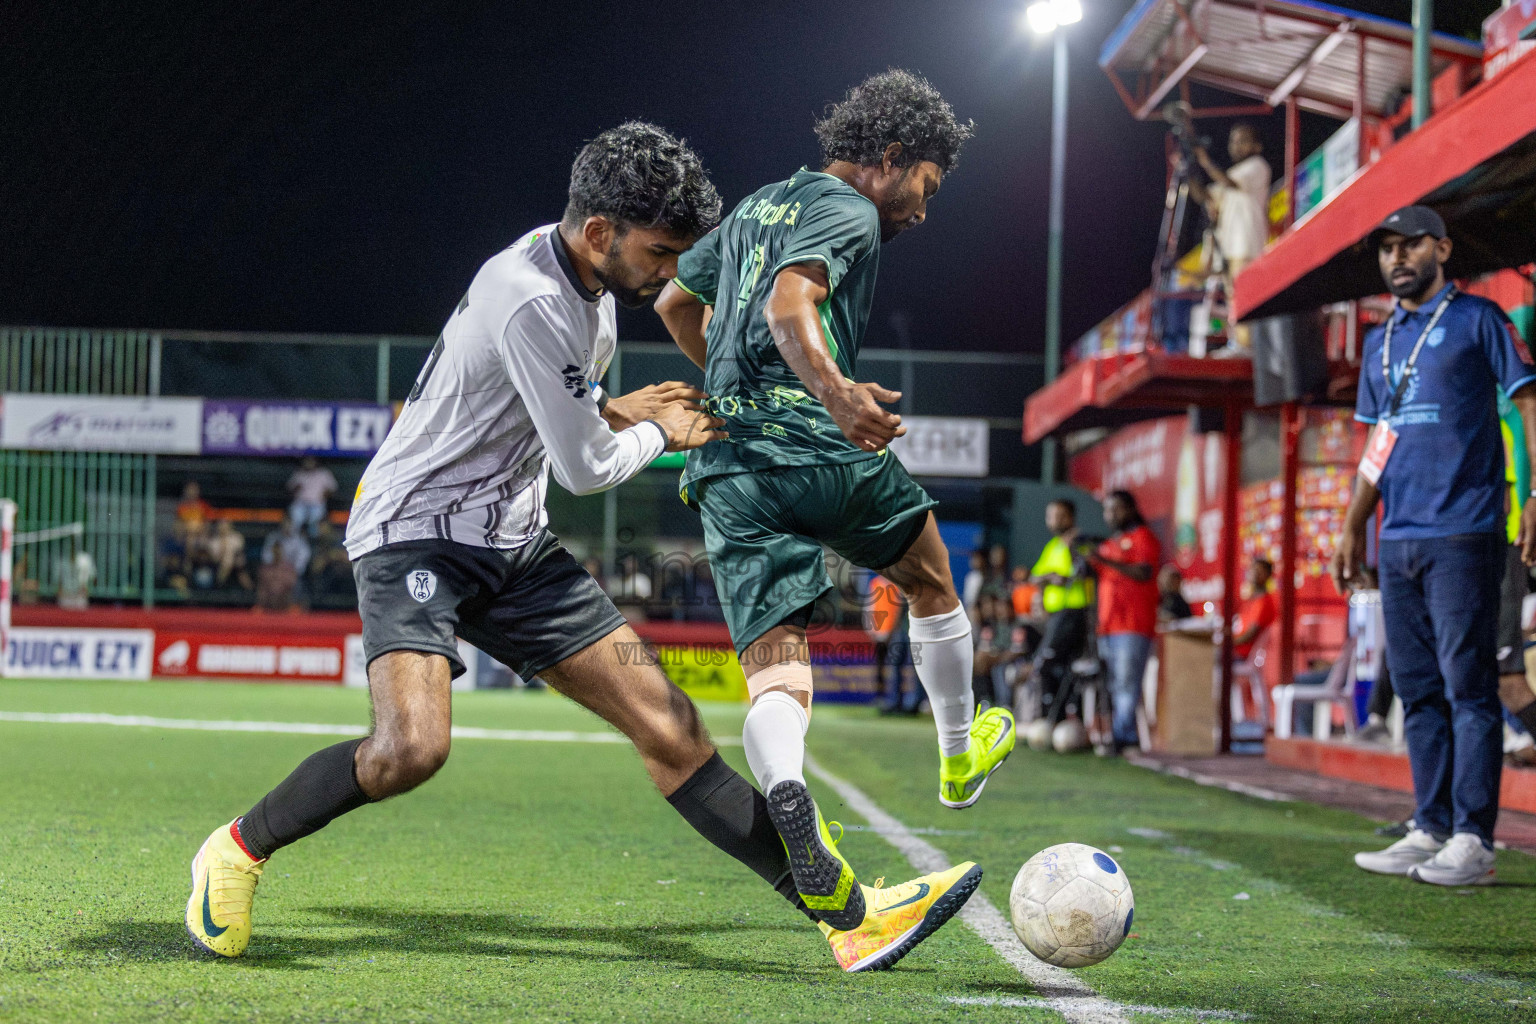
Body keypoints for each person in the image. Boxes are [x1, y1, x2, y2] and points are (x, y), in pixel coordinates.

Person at [185, 123, 954, 975]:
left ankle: (848, 918)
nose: (671, 273)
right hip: (416, 533)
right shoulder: (531, 296)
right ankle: (233, 849)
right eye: (662, 253)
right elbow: (585, 468)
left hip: (514, 544)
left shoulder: (584, 289)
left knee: (670, 727)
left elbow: (555, 418)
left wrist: (616, 409)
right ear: (601, 232)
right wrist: (660, 431)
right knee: (411, 750)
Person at [654, 70, 993, 938]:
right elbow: (787, 303)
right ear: (889, 158)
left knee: (776, 669)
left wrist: (733, 393)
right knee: (929, 576)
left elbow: (673, 300)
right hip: (818, 444)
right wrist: (836, 395)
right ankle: (958, 754)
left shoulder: (755, 207)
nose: (921, 210)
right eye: (924, 185)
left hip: (729, 464)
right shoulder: (846, 210)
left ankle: (795, 800)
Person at [1335, 204, 1536, 887]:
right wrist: (1351, 523)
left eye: (1410, 244)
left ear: (1442, 249)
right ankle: (1431, 824)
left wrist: (1535, 496)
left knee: (1468, 688)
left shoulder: (1480, 319)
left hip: (1466, 528)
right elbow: (1375, 442)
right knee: (1417, 689)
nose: (1397, 258)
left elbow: (1529, 400)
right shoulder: (1379, 340)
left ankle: (1474, 839)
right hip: (1399, 536)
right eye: (1386, 247)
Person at [1087, 491, 1161, 755]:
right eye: (1107, 510)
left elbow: (1143, 572)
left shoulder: (1143, 537)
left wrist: (1104, 559)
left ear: (1130, 509)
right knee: (1112, 684)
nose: (1111, 515)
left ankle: (1123, 738)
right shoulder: (1110, 543)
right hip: (1106, 626)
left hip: (1133, 626)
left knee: (1126, 683)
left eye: (1116, 509)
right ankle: (1118, 733)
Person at [1189, 123, 1271, 353]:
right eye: (1233, 140)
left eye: (1243, 140)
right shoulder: (1232, 174)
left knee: (1245, 297)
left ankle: (1246, 348)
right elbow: (1205, 196)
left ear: (1257, 145)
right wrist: (1189, 170)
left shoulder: (1257, 167)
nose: (1236, 145)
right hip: (1230, 250)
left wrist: (1204, 160)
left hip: (1248, 245)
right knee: (1234, 299)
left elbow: (1228, 183)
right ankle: (1241, 344)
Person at [1028, 499, 1091, 725]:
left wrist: (1062, 573)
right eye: (1049, 515)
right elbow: (1035, 576)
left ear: (1069, 517)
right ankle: (1054, 719)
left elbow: (1085, 571)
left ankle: (1057, 718)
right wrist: (1050, 576)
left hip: (1073, 613)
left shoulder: (1080, 542)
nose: (1052, 520)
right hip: (1054, 616)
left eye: (1057, 515)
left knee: (1049, 662)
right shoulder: (1053, 545)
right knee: (1053, 666)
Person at [866, 573, 917, 715]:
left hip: (908, 629)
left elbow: (897, 608)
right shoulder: (881, 583)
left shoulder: (904, 581)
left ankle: (913, 703)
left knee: (916, 668)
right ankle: (895, 701)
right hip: (897, 630)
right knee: (894, 666)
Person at [256, 515, 311, 611]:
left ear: (293, 526)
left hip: (291, 572)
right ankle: (263, 606)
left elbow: (302, 559)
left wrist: (289, 570)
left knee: (293, 581)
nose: (286, 527)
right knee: (264, 576)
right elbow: (266, 555)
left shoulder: (299, 540)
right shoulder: (273, 537)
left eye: (289, 524)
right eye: (285, 524)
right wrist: (276, 566)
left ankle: (293, 606)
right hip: (273, 569)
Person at [1230, 558, 1277, 662]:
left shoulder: (1265, 602)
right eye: (1253, 570)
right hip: (1235, 651)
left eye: (1259, 571)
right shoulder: (1250, 600)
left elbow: (1250, 635)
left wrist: (1228, 643)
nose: (1255, 574)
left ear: (1268, 575)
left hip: (1245, 655)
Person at [287, 456, 338, 537]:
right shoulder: (299, 473)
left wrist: (325, 495)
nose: (309, 464)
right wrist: (296, 488)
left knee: (315, 519)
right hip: (301, 503)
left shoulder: (323, 473)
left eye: (311, 461)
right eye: (307, 461)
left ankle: (314, 539)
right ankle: (295, 537)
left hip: (317, 503)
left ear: (316, 462)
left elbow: (333, 489)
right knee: (296, 516)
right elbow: (289, 489)